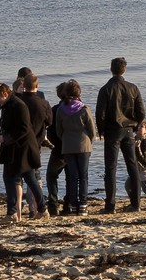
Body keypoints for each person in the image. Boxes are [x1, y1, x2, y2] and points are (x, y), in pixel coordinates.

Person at [96, 57, 146, 212]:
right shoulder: (132, 88)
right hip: (129, 130)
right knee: (132, 166)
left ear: (111, 69)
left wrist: (101, 131)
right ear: (124, 70)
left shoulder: (106, 89)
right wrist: (137, 124)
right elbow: (141, 112)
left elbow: (100, 114)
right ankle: (136, 203)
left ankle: (110, 205)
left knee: (111, 168)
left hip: (112, 131)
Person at [0, 81, 41, 223]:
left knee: (24, 178)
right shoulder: (8, 105)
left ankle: (17, 212)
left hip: (21, 149)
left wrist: (6, 138)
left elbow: (24, 129)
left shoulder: (18, 106)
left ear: (5, 94)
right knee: (24, 178)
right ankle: (39, 209)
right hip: (15, 148)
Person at [49, 79, 98, 216]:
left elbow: (58, 131)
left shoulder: (61, 110)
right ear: (79, 93)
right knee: (83, 177)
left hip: (68, 146)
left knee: (73, 177)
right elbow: (92, 130)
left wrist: (65, 138)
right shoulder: (84, 108)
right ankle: (83, 205)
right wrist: (89, 140)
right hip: (83, 145)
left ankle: (73, 205)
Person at [15, 69, 53, 217]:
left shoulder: (18, 101)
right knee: (33, 176)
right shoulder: (43, 102)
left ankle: (20, 210)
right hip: (36, 142)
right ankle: (37, 208)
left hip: (19, 143)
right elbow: (49, 121)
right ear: (37, 86)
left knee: (18, 177)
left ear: (23, 85)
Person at [44, 81, 69, 216]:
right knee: (71, 178)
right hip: (74, 148)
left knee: (51, 176)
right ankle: (69, 204)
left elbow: (50, 129)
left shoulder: (55, 110)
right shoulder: (80, 107)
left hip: (59, 149)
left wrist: (52, 143)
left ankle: (53, 205)